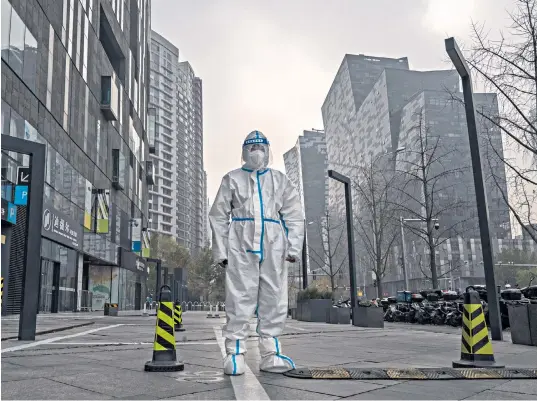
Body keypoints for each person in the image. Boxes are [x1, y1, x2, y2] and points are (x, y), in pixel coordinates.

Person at [209, 130, 304, 376]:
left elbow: (294, 215)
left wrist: (293, 247)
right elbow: (218, 215)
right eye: (252, 148)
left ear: (268, 150)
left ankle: (271, 354)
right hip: (240, 241)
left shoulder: (280, 180)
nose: (256, 152)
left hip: (273, 241)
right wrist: (220, 250)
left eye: (261, 147)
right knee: (240, 297)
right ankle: (235, 353)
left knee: (274, 296)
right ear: (244, 151)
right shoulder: (232, 179)